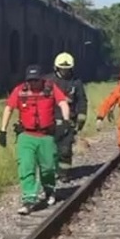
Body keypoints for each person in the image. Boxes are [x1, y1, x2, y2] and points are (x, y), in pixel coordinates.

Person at [0, 65, 71, 215]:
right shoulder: (20, 90)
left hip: (46, 136)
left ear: (41, 79)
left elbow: (63, 102)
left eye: (36, 80)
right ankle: (29, 199)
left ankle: (49, 190)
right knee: (26, 166)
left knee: (48, 167)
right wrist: (3, 131)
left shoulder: (51, 88)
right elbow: (8, 108)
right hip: (26, 136)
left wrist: (65, 121)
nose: (33, 84)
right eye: (30, 81)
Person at [45, 52, 87, 183]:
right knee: (50, 149)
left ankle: (64, 173)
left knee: (65, 149)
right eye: (62, 68)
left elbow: (82, 101)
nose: (65, 71)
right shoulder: (48, 82)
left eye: (67, 69)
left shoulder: (76, 82)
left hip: (68, 121)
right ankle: (51, 171)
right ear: (56, 68)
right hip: (50, 120)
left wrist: (81, 118)